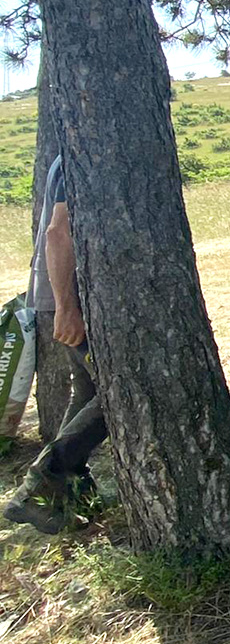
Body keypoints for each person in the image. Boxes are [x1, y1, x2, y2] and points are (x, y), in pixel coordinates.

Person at [4, 154, 106, 534]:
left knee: (89, 390)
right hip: (68, 301)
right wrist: (65, 306)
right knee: (116, 395)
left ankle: (66, 497)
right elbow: (56, 232)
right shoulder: (78, 155)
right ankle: (40, 482)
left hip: (69, 300)